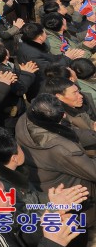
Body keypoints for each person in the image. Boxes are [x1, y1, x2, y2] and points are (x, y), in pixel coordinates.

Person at [16, 93, 96, 236]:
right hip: (72, 197)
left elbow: (69, 132)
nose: (65, 117)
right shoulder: (62, 149)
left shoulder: (27, 118)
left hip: (46, 185)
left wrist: (92, 134)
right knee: (81, 234)